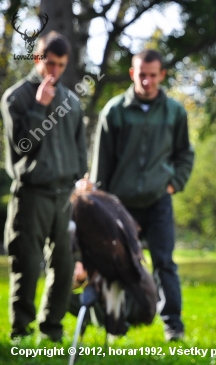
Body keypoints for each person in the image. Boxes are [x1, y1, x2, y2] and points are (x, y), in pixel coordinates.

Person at [90, 49, 194, 341]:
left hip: (158, 201)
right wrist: (100, 205)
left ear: (161, 75)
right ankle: (115, 323)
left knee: (164, 263)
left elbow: (185, 154)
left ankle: (173, 325)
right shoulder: (114, 111)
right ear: (132, 74)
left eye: (152, 75)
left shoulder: (175, 111)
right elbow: (101, 165)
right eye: (141, 74)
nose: (147, 81)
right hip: (119, 206)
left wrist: (173, 184)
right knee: (117, 264)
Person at [1, 31, 88, 341]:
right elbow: (21, 146)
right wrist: (40, 108)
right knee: (25, 264)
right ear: (38, 58)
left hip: (64, 197)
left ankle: (51, 330)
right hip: (31, 195)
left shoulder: (72, 101)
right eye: (49, 63)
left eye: (61, 65)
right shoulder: (16, 97)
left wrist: (80, 180)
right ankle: (20, 331)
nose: (54, 71)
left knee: (64, 268)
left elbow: (80, 151)